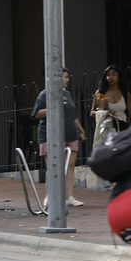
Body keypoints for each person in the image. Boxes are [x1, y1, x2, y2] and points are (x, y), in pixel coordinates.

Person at [33, 68, 87, 207]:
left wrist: (80, 130)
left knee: (70, 166)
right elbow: (37, 114)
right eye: (65, 77)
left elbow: (73, 115)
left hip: (70, 134)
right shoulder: (44, 95)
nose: (68, 80)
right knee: (53, 166)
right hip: (50, 135)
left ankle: (68, 197)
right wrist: (53, 107)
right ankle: (49, 196)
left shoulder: (67, 94)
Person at [92, 65, 131, 134]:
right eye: (108, 75)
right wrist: (104, 114)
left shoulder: (124, 93)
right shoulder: (101, 92)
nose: (111, 77)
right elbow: (92, 112)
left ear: (119, 77)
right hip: (107, 129)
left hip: (123, 129)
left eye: (114, 74)